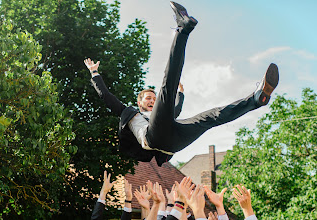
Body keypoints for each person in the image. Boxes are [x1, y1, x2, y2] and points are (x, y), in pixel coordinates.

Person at [85, 1, 279, 166]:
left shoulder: (166, 113)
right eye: (148, 99)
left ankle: (257, 99)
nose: (152, 101)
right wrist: (95, 74)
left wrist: (181, 95)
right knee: (167, 88)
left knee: (210, 117)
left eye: (154, 99)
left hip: (174, 139)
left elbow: (175, 109)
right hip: (152, 138)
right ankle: (183, 29)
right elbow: (107, 97)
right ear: (140, 103)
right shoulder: (130, 112)